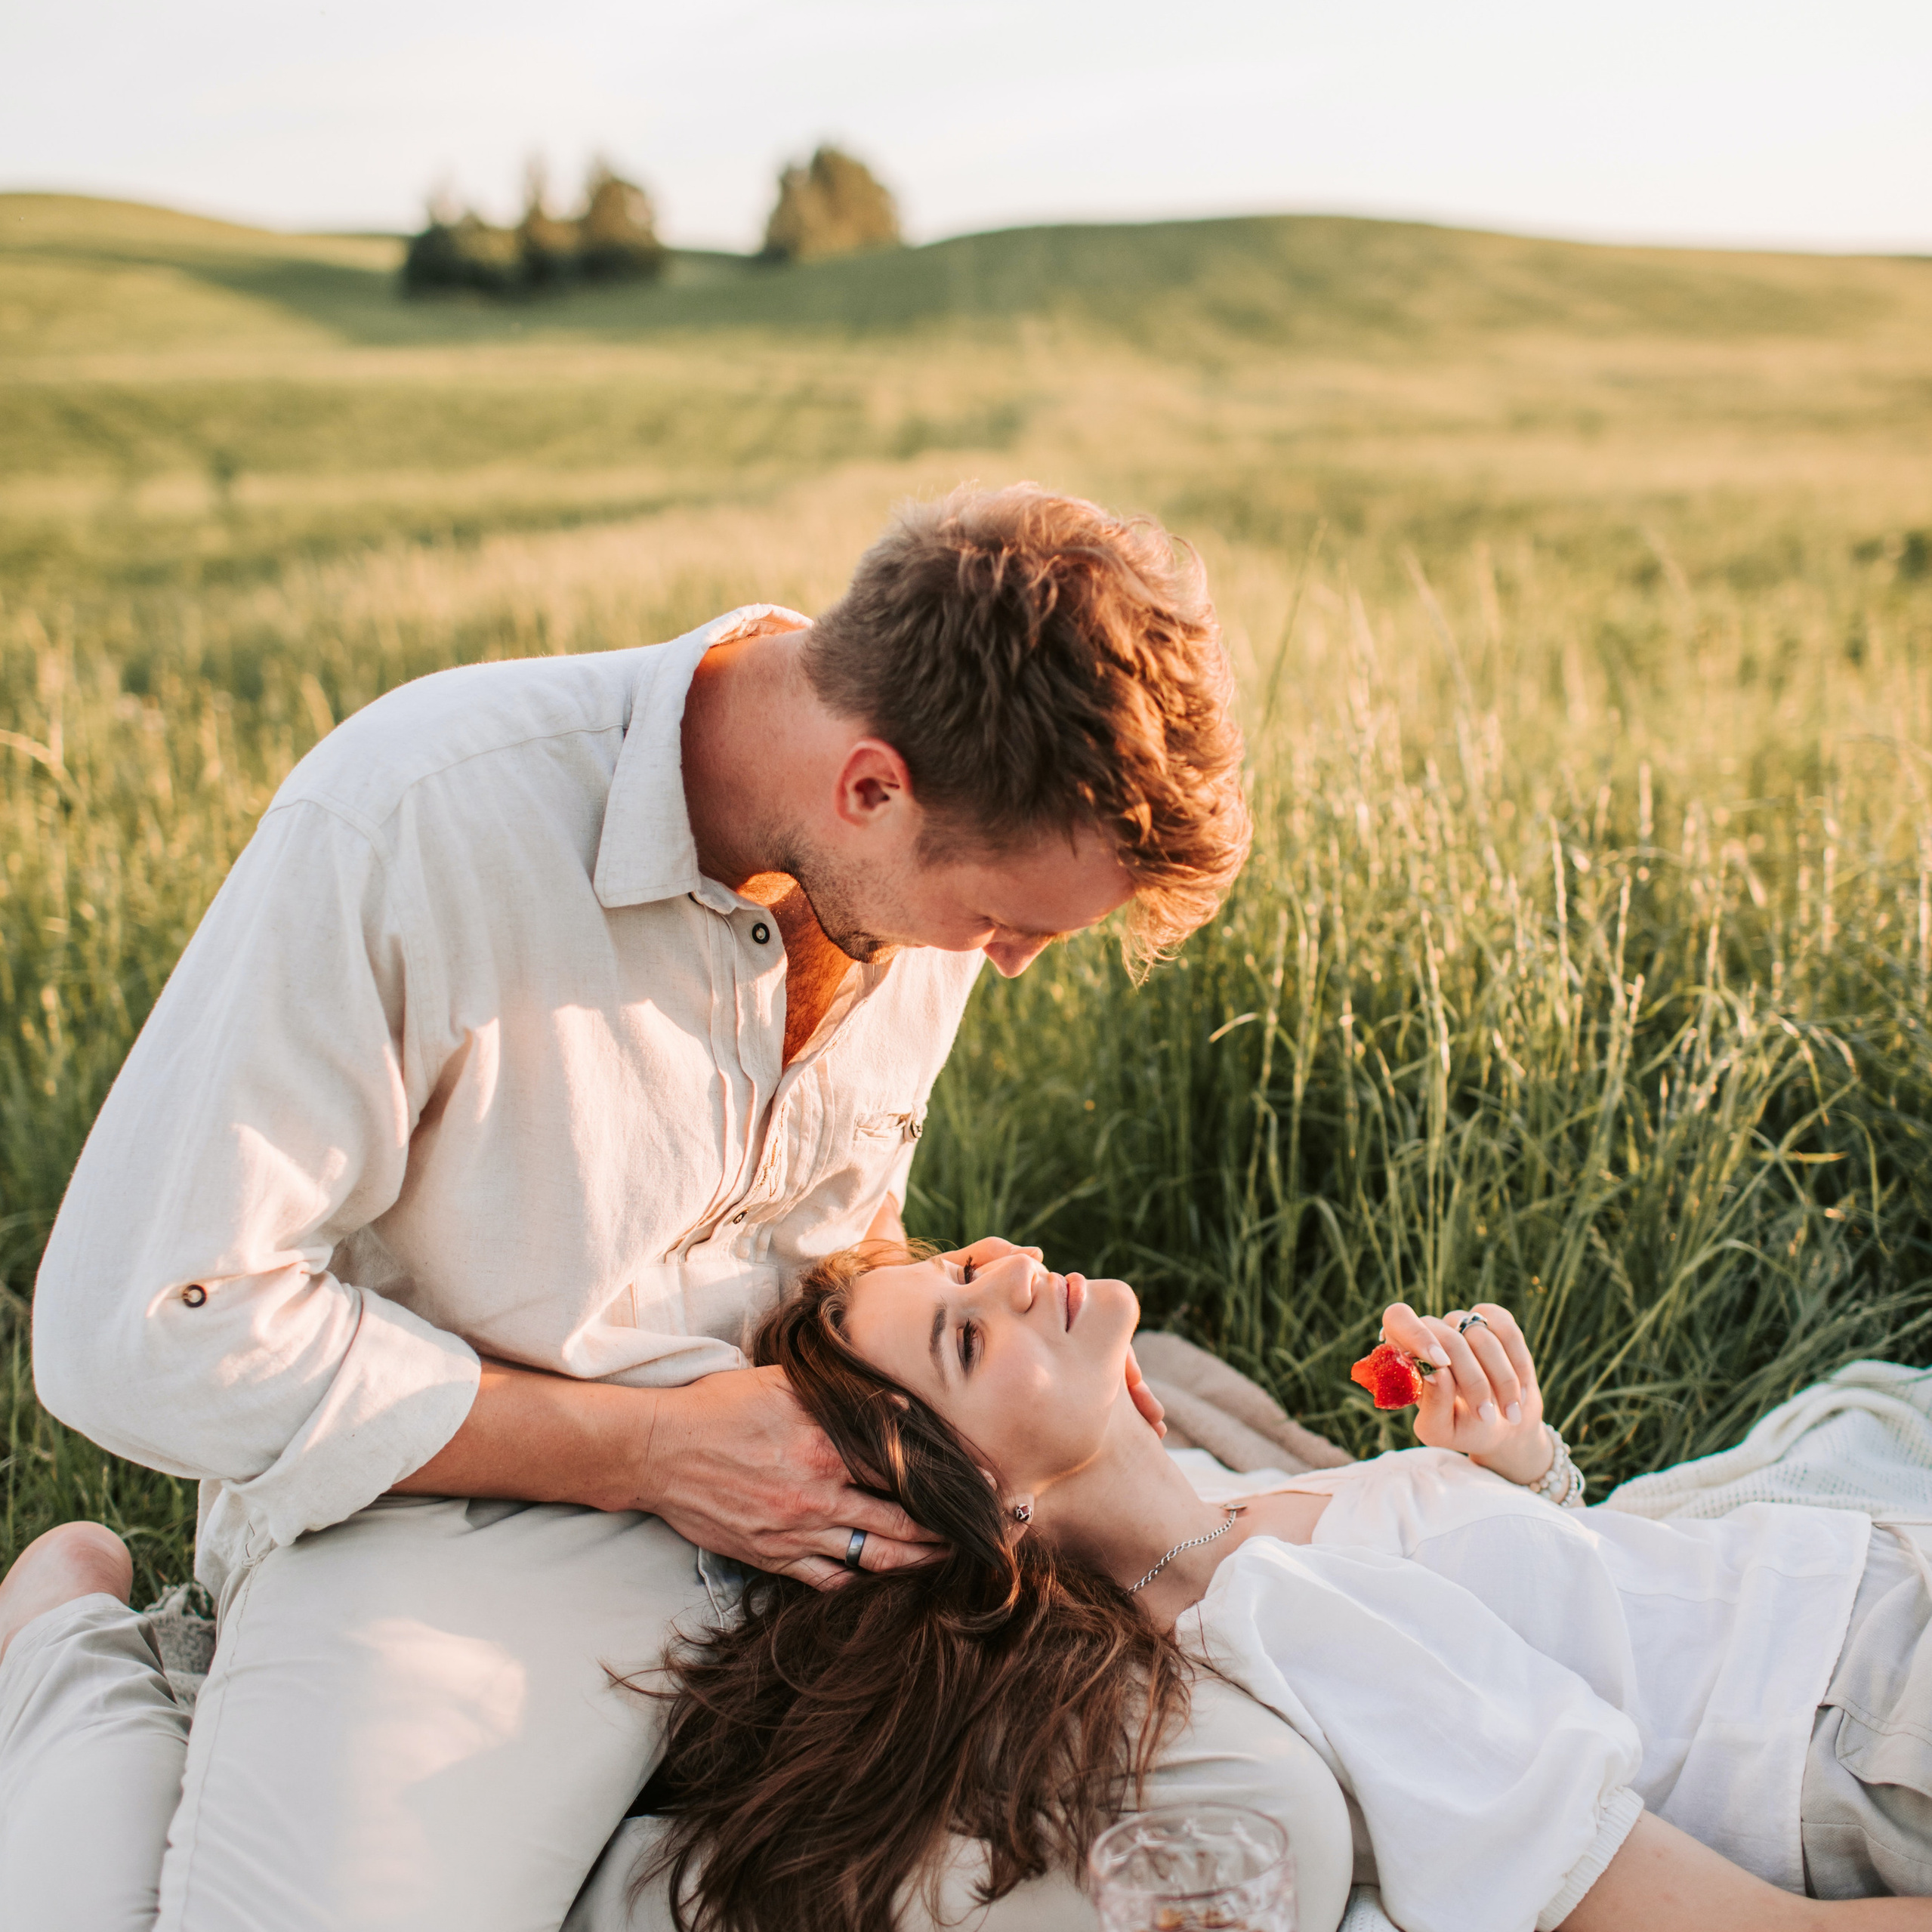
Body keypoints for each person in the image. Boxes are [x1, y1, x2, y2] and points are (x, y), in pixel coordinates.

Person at [1, 485, 1345, 1932]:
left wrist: (990, 1367)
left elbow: (826, 1237)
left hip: (841, 1522)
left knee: (1249, 1832)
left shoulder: (902, 866)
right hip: (466, 1518)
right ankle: (78, 1650)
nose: (1006, 962)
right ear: (871, 785)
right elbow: (138, 1330)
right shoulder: (417, 818)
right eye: (1001, 921)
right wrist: (646, 1449)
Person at [615, 1245, 1932, 1932]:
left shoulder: (1215, 1508)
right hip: (1866, 1714)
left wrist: (1517, 1468)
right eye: (969, 1334)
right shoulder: (1265, 1626)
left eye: (961, 1268)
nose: (1013, 1272)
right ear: (989, 1508)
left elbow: (1579, 1631)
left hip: (1847, 1589)